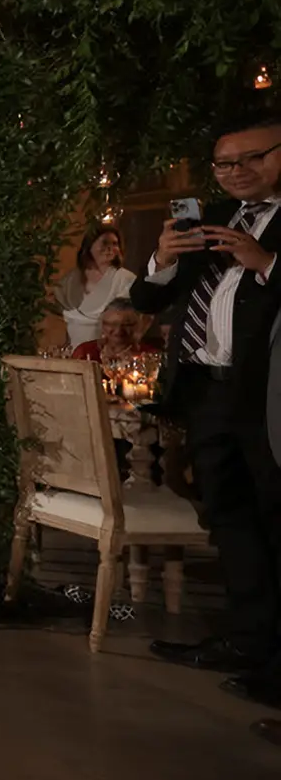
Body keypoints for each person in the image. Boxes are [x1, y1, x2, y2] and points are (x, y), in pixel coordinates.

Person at [129, 109, 281, 705]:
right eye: (225, 163)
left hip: (266, 393)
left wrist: (266, 263)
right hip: (208, 390)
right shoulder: (214, 221)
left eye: (254, 157)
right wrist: (163, 258)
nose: (237, 171)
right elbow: (146, 296)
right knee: (228, 517)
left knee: (274, 517)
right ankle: (247, 640)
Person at [56, 226, 137, 349]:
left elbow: (140, 318)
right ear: (89, 247)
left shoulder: (125, 279)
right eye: (104, 243)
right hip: (75, 354)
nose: (110, 248)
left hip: (107, 354)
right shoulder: (70, 280)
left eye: (115, 244)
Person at [71, 300, 157, 364]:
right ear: (102, 325)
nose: (118, 330)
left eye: (127, 325)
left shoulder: (149, 355)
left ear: (137, 326)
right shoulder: (85, 351)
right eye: (112, 324)